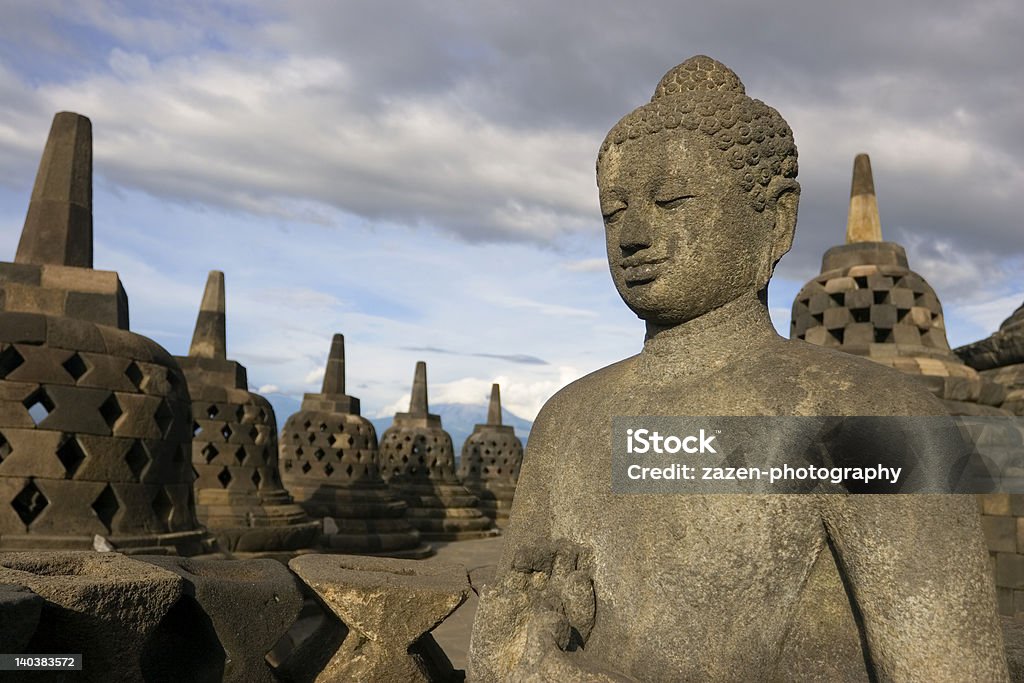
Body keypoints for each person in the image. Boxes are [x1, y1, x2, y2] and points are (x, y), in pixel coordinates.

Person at [468, 55, 1007, 682]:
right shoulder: (567, 420)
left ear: (777, 221)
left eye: (671, 200)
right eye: (612, 212)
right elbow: (508, 639)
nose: (632, 235)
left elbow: (948, 670)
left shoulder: (876, 418)